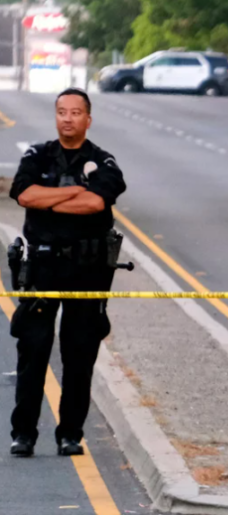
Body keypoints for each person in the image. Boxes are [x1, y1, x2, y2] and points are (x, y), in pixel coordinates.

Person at [9, 88, 126, 458]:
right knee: (33, 352)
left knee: (79, 354)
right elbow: (25, 195)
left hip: (87, 269)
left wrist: (51, 198)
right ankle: (24, 434)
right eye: (62, 112)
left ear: (88, 119)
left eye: (76, 113)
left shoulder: (103, 162)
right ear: (56, 116)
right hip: (42, 267)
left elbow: (96, 203)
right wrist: (74, 189)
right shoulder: (37, 155)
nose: (68, 118)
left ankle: (70, 434)